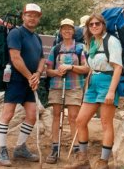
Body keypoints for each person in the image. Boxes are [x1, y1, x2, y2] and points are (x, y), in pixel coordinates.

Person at [65, 13, 122, 169]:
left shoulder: (112, 41)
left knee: (105, 123)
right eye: (91, 24)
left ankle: (103, 162)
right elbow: (90, 67)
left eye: (97, 23)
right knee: (80, 120)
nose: (94, 26)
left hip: (107, 82)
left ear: (103, 25)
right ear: (88, 27)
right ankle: (83, 159)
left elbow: (118, 67)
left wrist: (111, 91)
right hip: (93, 83)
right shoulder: (91, 43)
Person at [0, 3, 45, 167]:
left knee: (32, 115)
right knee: (8, 114)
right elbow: (15, 58)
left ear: (39, 18)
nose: (32, 18)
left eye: (35, 15)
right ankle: (1, 150)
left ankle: (20, 148)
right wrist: (30, 76)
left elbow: (42, 58)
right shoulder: (16, 33)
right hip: (16, 79)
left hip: (30, 80)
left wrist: (37, 74)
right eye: (29, 15)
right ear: (23, 16)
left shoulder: (36, 37)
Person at [45, 18, 90, 164]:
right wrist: (57, 72)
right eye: (64, 28)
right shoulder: (56, 49)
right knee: (56, 115)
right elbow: (48, 70)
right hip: (57, 85)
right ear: (60, 31)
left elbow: (86, 68)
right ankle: (54, 148)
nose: (67, 31)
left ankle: (76, 148)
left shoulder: (80, 48)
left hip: (75, 85)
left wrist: (71, 67)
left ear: (73, 31)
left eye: (69, 28)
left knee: (73, 116)